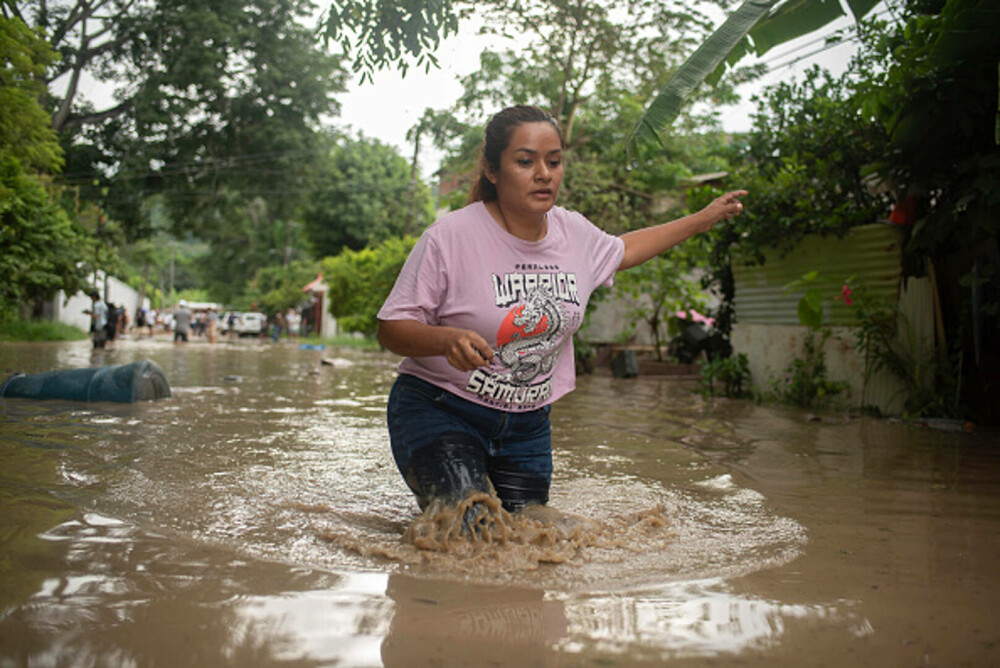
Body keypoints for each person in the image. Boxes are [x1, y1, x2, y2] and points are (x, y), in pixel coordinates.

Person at [377, 105, 746, 518]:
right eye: (525, 161)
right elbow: (391, 328)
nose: (544, 173)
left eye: (554, 162)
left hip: (526, 424)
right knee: (468, 524)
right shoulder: (450, 237)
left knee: (537, 533)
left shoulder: (574, 233)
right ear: (492, 170)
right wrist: (444, 340)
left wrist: (702, 219)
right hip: (441, 409)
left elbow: (626, 250)